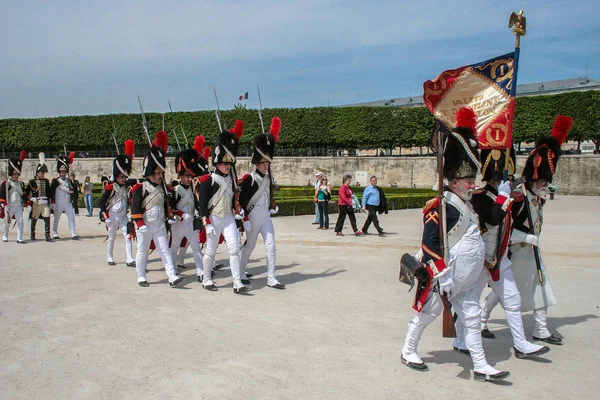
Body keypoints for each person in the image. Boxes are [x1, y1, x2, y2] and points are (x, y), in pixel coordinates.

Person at [400, 107, 510, 382]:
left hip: (468, 275)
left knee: (472, 317)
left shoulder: (469, 204)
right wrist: (442, 272)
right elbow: (430, 242)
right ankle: (408, 349)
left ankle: (481, 364)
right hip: (447, 274)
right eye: (468, 181)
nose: (472, 185)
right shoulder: (441, 205)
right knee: (429, 313)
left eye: (473, 180)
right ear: (454, 181)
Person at [481, 115, 573, 346]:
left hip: (531, 252)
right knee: (505, 290)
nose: (544, 185)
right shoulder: (520, 197)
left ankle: (540, 329)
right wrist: (527, 237)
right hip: (517, 250)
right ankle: (482, 319)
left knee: (539, 288)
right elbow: (506, 228)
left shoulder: (535, 197)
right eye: (541, 181)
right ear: (534, 179)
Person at [465, 148, 549, 359]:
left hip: (499, 257)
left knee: (512, 299)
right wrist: (503, 195)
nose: (511, 181)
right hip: (482, 258)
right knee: (469, 302)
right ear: (496, 179)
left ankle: (521, 344)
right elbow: (493, 219)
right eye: (508, 178)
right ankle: (460, 338)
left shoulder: (507, 197)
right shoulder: (481, 197)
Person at [198, 121, 248, 294]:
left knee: (235, 249)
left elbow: (234, 200)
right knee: (211, 251)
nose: (228, 166)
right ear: (217, 163)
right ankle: (206, 279)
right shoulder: (208, 180)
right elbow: (202, 205)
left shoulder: (232, 180)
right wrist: (207, 223)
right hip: (213, 218)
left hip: (228, 218)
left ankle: (237, 282)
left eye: (229, 163)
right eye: (225, 163)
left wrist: (238, 211)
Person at [130, 130, 184, 288]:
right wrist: (140, 224)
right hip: (145, 225)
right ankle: (141, 276)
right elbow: (135, 209)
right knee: (142, 251)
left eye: (161, 172)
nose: (160, 175)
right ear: (150, 174)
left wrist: (171, 215)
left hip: (159, 224)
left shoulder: (164, 188)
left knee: (165, 250)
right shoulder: (140, 188)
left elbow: (168, 204)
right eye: (157, 172)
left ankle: (172, 275)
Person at [239, 117, 285, 289]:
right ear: (257, 163)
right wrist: (245, 220)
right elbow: (243, 201)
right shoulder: (249, 179)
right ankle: (241, 271)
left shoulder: (268, 178)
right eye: (264, 163)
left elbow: (268, 196)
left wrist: (272, 206)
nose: (266, 166)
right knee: (249, 247)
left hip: (265, 217)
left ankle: (271, 277)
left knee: (271, 246)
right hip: (252, 218)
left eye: (268, 163)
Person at [169, 136, 207, 283]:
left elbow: (197, 204)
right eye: (186, 176)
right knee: (174, 249)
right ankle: (172, 271)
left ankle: (200, 272)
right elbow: (171, 208)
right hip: (179, 224)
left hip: (191, 223)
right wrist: (180, 214)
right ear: (180, 176)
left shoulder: (193, 188)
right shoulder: (175, 190)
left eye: (190, 176)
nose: (188, 179)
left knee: (196, 248)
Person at [98, 140, 137, 267]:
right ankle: (109, 256)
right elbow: (102, 202)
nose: (123, 179)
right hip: (112, 215)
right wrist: (105, 215)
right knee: (112, 237)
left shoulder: (127, 186)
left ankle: (129, 258)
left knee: (128, 236)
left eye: (124, 177)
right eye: (121, 177)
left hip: (123, 215)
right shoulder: (110, 187)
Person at [50, 153, 79, 240]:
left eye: (64, 172)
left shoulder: (69, 181)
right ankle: (55, 232)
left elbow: (73, 191)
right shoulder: (55, 181)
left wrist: (71, 188)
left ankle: (73, 233)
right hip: (58, 202)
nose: (63, 174)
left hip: (67, 202)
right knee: (56, 218)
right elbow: (52, 192)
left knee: (71, 217)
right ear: (59, 172)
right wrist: (53, 202)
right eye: (61, 172)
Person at [1, 151, 28, 243]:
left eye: (17, 174)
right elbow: (2, 195)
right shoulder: (6, 183)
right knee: (7, 222)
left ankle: (19, 237)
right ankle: (5, 235)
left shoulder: (21, 184)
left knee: (20, 221)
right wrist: (4, 205)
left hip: (18, 205)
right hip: (9, 205)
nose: (16, 176)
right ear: (11, 174)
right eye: (14, 174)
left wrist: (26, 201)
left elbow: (23, 195)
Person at [26, 153, 53, 241]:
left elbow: (49, 193)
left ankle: (47, 235)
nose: (42, 174)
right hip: (36, 202)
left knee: (47, 217)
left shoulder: (46, 181)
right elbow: (26, 192)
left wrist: (51, 202)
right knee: (34, 219)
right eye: (41, 173)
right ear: (37, 173)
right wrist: (30, 199)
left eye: (43, 173)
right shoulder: (32, 181)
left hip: (45, 202)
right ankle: (32, 234)